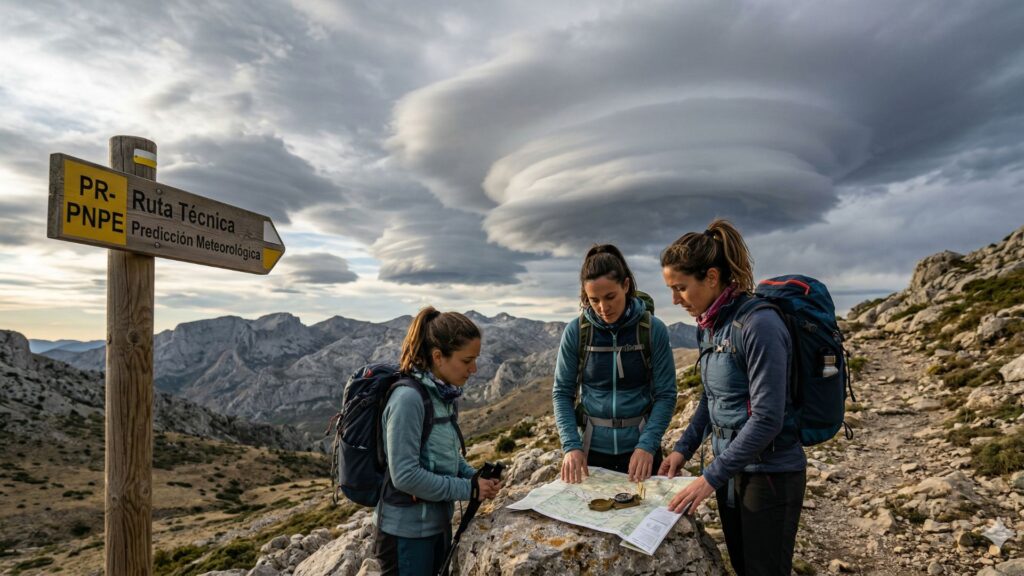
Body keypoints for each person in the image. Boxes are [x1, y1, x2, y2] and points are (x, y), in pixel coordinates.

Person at [658, 219, 806, 576]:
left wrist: (709, 478)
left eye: (680, 288)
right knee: (742, 567)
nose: (675, 300)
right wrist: (683, 450)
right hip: (732, 471)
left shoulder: (759, 325)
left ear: (711, 277)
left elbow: (768, 418)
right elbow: (712, 400)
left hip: (770, 475)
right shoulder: (710, 326)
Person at [373, 307, 502, 576]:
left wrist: (475, 477)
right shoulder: (408, 400)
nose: (474, 369)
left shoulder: (444, 396)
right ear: (437, 357)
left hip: (437, 526)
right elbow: (405, 476)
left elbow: (448, 455)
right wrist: (468, 489)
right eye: (467, 361)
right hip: (405, 536)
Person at [552, 244, 677, 484]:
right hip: (591, 451)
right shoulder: (577, 332)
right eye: (593, 300)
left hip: (641, 451)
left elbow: (666, 394)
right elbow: (562, 393)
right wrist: (571, 446)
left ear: (626, 286)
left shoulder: (652, 330)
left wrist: (647, 445)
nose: (602, 308)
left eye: (610, 297)